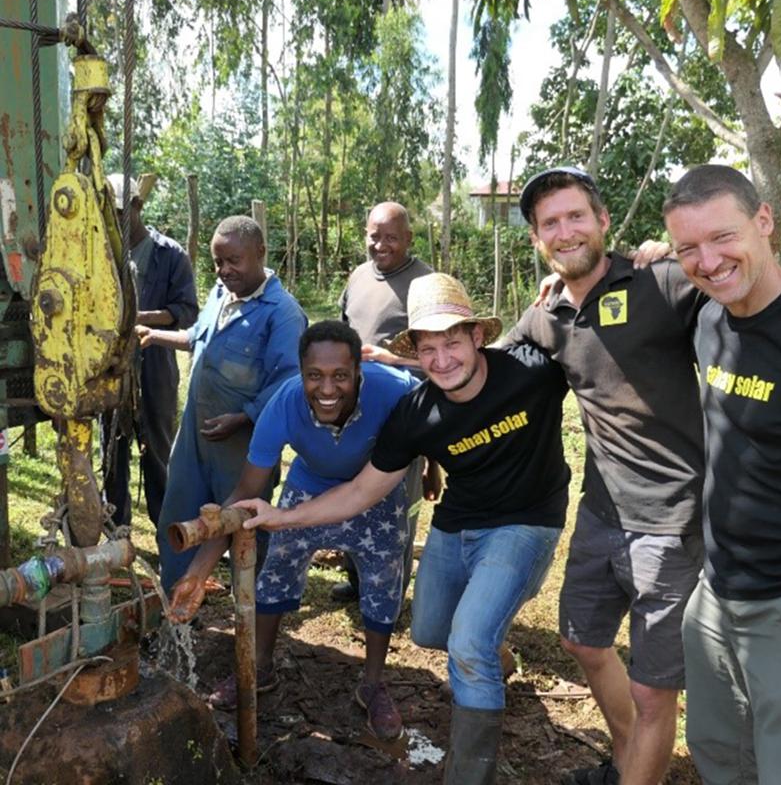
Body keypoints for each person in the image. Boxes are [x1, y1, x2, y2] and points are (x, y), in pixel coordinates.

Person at [235, 273, 571, 785]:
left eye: (453, 343)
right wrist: (280, 516)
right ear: (415, 350)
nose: (442, 360)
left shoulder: (531, 373)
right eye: (428, 348)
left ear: (478, 337)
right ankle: (493, 642)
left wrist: (629, 265)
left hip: (527, 521)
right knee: (431, 630)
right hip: (460, 522)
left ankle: (468, 774)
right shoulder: (417, 412)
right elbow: (360, 492)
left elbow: (594, 332)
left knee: (467, 645)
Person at [506, 166, 705, 785]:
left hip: (671, 524)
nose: (564, 232)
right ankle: (627, 764)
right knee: (583, 644)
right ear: (538, 239)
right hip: (600, 514)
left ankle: (642, 768)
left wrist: (683, 250)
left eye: (574, 216)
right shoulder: (548, 314)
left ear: (603, 221)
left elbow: (745, 287)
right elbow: (481, 371)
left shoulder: (663, 282)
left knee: (654, 694)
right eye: (550, 224)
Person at [169, 320, 419, 740]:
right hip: (310, 485)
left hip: (375, 488)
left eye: (340, 375)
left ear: (359, 371)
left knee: (384, 578)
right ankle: (261, 667)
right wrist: (197, 573)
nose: (327, 388)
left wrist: (431, 471)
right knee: (277, 568)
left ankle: (373, 684)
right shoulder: (284, 403)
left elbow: (432, 417)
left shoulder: (394, 388)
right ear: (300, 374)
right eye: (314, 376)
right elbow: (246, 493)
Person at [662, 164, 781, 784]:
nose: (708, 261)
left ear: (765, 221)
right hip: (716, 593)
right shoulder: (710, 318)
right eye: (688, 247)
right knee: (718, 752)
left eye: (723, 237)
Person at [137, 215, 307, 593]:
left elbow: (288, 384)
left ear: (260, 253)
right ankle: (177, 614)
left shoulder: (282, 314)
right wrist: (155, 335)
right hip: (195, 435)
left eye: (234, 261)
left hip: (244, 446)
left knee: (245, 527)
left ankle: (252, 620)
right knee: (177, 520)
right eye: (218, 262)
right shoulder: (219, 294)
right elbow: (197, 337)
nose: (224, 270)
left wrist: (243, 418)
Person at [334, 201, 438, 603]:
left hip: (403, 416)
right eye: (374, 235)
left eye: (391, 237)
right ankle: (358, 579)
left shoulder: (425, 284)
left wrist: (391, 359)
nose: (381, 245)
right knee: (352, 495)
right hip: (353, 411)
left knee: (395, 504)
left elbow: (438, 360)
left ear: (409, 239)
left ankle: (389, 591)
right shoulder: (359, 276)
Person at [103, 173, 198, 527]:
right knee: (112, 453)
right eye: (106, 212)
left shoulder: (170, 255)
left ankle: (166, 532)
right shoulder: (102, 253)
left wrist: (136, 318)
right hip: (110, 367)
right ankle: (116, 530)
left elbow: (187, 311)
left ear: (138, 206)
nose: (113, 220)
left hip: (155, 367)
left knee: (157, 451)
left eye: (118, 211)